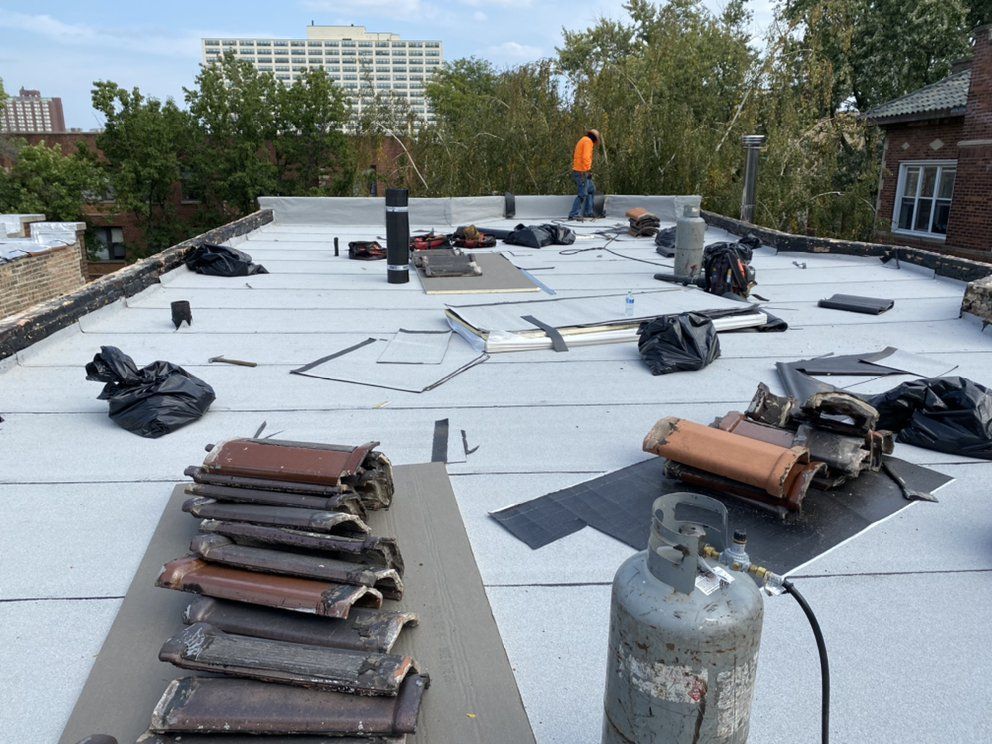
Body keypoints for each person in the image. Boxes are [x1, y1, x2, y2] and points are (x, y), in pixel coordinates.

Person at [568, 129, 600, 220]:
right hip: (582, 172)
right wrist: (587, 170)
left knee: (591, 189)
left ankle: (588, 212)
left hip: (580, 171)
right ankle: (573, 214)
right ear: (594, 138)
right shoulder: (588, 142)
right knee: (582, 194)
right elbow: (585, 157)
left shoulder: (583, 140)